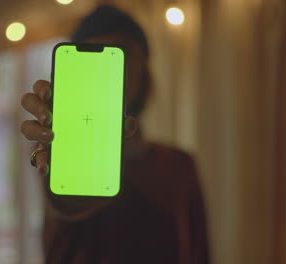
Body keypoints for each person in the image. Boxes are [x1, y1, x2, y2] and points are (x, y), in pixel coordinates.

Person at [21, 5, 209, 264]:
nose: (112, 74)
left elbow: (200, 253)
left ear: (145, 67)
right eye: (91, 65)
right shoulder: (62, 158)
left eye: (122, 54)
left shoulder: (178, 165)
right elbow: (66, 210)